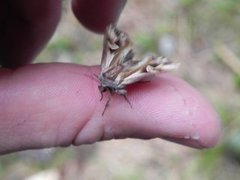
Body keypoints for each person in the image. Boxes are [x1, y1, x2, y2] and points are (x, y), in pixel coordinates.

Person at [0, 0, 221, 154]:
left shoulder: (108, 79)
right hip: (121, 68)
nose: (101, 89)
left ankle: (150, 66)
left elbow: (119, 92)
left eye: (103, 88)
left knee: (130, 75)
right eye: (103, 88)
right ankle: (148, 64)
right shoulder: (104, 78)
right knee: (127, 69)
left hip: (122, 71)